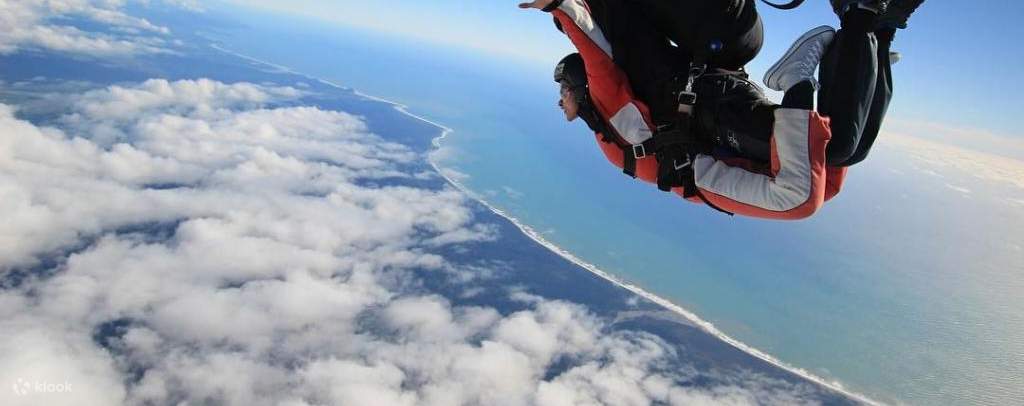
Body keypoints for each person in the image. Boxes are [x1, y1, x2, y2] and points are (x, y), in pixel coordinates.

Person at [522, 0, 924, 219]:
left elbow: (597, 60)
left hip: (711, 113)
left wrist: (559, 7)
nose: (561, 100)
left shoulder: (609, 118)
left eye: (563, 90)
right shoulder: (613, 127)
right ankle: (877, 28)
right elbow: (599, 53)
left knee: (825, 165)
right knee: (845, 151)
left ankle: (816, 62)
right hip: (714, 101)